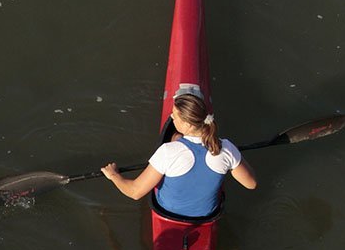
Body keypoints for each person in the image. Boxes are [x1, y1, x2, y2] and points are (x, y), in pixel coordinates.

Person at [100, 93, 257, 218]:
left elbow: (135, 192)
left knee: (174, 143)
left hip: (168, 212)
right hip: (207, 215)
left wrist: (113, 175)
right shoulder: (226, 148)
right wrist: (234, 157)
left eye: (175, 115)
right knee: (178, 140)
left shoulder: (168, 151)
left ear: (187, 124)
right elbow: (251, 184)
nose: (172, 117)